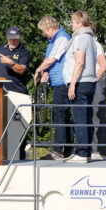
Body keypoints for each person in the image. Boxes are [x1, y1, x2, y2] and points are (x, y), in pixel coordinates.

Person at [0, 26, 32, 159]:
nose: (13, 41)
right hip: (0, 94)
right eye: (11, 39)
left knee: (19, 126)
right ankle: (1, 154)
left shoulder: (24, 52)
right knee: (0, 124)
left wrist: (10, 62)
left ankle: (20, 155)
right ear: (7, 37)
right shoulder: (0, 49)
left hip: (18, 94)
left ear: (20, 37)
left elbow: (22, 70)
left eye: (16, 39)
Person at [32, 16, 71, 159]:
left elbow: (52, 59)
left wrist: (38, 70)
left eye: (44, 31)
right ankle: (67, 150)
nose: (44, 34)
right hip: (57, 82)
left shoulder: (61, 38)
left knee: (60, 115)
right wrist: (46, 71)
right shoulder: (53, 41)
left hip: (62, 82)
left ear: (50, 28)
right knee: (62, 115)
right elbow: (49, 59)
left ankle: (58, 150)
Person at [64, 11, 98, 162]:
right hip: (89, 82)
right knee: (86, 118)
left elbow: (79, 62)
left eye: (72, 22)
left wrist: (72, 85)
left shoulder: (80, 38)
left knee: (80, 119)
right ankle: (86, 151)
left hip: (80, 82)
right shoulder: (90, 38)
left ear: (79, 23)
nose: (71, 25)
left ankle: (82, 153)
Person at [90, 22, 106, 160]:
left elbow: (103, 66)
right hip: (91, 82)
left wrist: (94, 80)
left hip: (98, 82)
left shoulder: (96, 46)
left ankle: (98, 151)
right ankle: (91, 148)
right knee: (90, 116)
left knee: (97, 116)